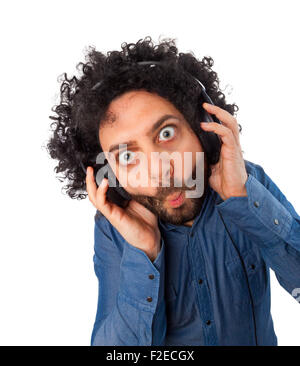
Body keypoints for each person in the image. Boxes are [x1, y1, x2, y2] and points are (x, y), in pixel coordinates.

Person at [46, 36, 300, 346]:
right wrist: (144, 250)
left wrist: (244, 201)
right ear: (111, 175)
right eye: (127, 156)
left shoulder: (248, 183)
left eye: (166, 133)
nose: (159, 171)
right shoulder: (116, 231)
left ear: (201, 128)